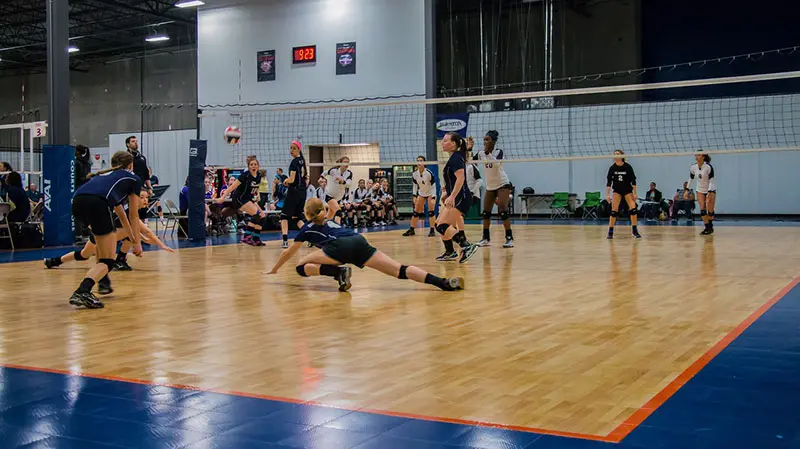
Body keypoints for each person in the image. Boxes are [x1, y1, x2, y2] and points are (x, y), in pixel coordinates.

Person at [265, 198, 464, 292]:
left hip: (339, 247)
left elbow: (288, 253)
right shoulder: (330, 219)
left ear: (307, 214)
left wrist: (274, 270)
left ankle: (339, 273)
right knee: (399, 270)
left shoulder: (306, 228)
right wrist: (329, 204)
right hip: (358, 241)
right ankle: (442, 283)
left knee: (301, 265)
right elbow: (333, 206)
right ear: (322, 210)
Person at [68, 151, 143, 309]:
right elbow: (133, 215)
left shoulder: (104, 177)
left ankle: (102, 282)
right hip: (97, 204)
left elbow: (121, 214)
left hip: (77, 202)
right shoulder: (133, 179)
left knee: (102, 250)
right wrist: (137, 244)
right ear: (131, 165)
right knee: (108, 261)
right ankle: (83, 290)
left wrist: (132, 237)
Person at [436, 132, 478, 263]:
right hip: (457, 196)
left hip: (461, 197)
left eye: (445, 141)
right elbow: (452, 179)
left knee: (442, 226)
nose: (442, 143)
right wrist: (446, 192)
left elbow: (461, 178)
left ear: (453, 144)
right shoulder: (456, 156)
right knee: (439, 224)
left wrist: (452, 196)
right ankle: (450, 252)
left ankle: (467, 246)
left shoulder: (455, 158)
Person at [474, 131, 514, 248]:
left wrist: (488, 154)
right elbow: (471, 161)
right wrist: (469, 149)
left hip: (502, 184)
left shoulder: (498, 152)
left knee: (503, 210)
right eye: (484, 139)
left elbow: (496, 164)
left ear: (493, 141)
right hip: (490, 186)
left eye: (488, 140)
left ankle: (509, 238)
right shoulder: (481, 153)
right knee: (486, 212)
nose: (485, 142)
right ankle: (485, 238)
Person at [216, 155, 267, 246]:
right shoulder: (245, 175)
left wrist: (257, 195)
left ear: (258, 166)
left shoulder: (258, 175)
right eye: (251, 164)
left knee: (262, 216)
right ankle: (246, 237)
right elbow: (232, 187)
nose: (253, 166)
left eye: (255, 164)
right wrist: (223, 197)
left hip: (248, 198)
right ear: (248, 166)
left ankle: (256, 238)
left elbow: (255, 187)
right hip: (239, 198)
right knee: (257, 215)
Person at [605, 149, 641, 239]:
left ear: (622, 156)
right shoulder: (612, 168)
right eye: (615, 154)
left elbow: (633, 181)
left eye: (618, 154)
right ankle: (610, 232)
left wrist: (635, 193)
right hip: (617, 190)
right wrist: (607, 195)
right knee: (614, 211)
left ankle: (634, 230)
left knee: (633, 209)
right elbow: (609, 183)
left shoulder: (628, 167)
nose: (616, 155)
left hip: (627, 190)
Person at [280, 140, 308, 248]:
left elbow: (291, 179)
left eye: (294, 148)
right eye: (290, 148)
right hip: (302, 192)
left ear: (299, 150)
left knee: (284, 216)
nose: (291, 150)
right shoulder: (302, 161)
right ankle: (311, 238)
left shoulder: (294, 162)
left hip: (294, 192)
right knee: (297, 217)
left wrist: (285, 181)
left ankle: (285, 241)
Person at [403, 156, 437, 237]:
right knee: (416, 212)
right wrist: (414, 195)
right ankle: (411, 230)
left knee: (431, 212)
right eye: (417, 161)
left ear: (424, 163)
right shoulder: (415, 174)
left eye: (421, 161)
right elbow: (415, 185)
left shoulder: (429, 173)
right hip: (421, 193)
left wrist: (433, 197)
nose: (419, 162)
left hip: (430, 193)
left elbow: (434, 186)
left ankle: (432, 230)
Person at [688, 151, 716, 235]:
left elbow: (711, 181)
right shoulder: (693, 167)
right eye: (696, 155)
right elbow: (690, 178)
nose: (697, 156)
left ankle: (710, 226)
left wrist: (709, 192)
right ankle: (707, 227)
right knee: (703, 210)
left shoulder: (708, 167)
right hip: (699, 190)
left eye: (699, 155)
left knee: (710, 211)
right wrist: (687, 190)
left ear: (703, 157)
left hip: (710, 190)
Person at [324, 157, 353, 225]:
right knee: (339, 213)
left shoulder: (349, 173)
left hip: (338, 197)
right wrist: (321, 178)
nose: (346, 164)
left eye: (348, 162)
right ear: (340, 163)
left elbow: (348, 185)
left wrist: (343, 182)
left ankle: (320, 227)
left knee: (329, 217)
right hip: (329, 195)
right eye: (345, 162)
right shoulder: (334, 170)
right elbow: (325, 172)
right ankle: (337, 230)